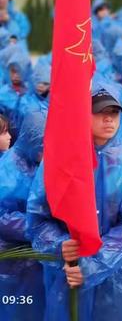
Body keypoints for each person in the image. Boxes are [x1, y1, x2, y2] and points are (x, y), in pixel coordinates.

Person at [27, 85, 122, 321]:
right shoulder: (60, 158)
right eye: (100, 112)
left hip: (118, 276)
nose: (109, 119)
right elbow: (38, 216)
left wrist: (95, 265)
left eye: (114, 113)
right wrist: (59, 244)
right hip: (68, 272)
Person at [0, 112, 46, 321]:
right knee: (16, 306)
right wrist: (38, 228)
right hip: (12, 257)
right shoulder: (8, 169)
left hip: (38, 254)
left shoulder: (41, 164)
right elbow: (2, 216)